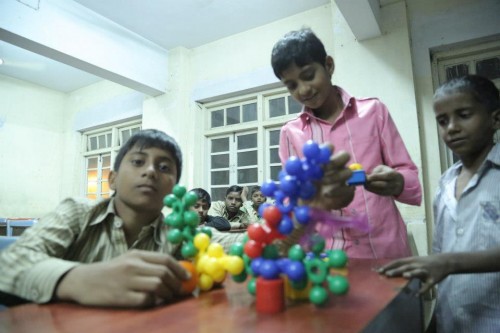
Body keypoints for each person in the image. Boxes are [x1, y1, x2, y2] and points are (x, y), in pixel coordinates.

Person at [271, 28, 422, 259]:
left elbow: (409, 175)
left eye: (309, 75)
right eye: (291, 85)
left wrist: (398, 182)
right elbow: (292, 202)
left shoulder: (374, 112)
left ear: (329, 65)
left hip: (386, 253)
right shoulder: (291, 132)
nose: (303, 90)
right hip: (327, 261)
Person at [0, 129, 191, 308]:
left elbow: (215, 243)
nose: (150, 171)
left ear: (175, 188)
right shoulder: (77, 213)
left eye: (164, 167)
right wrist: (77, 279)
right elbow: (9, 263)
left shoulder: (178, 233)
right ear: (113, 179)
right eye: (138, 162)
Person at [378, 75, 500, 333]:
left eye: (464, 115)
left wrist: (450, 263)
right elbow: (440, 259)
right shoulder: (445, 183)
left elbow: (445, 262)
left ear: (495, 119)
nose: (451, 128)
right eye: (442, 121)